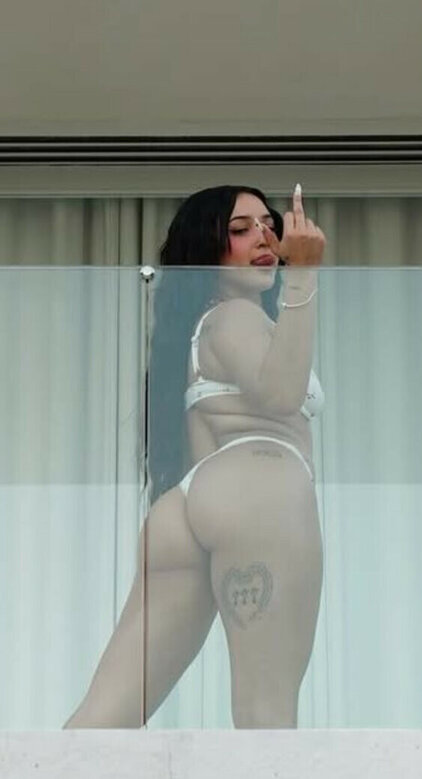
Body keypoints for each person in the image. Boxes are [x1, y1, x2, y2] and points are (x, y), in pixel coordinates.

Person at [65, 182, 325, 729]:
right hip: (260, 490)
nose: (264, 237)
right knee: (265, 714)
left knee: (100, 722)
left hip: (186, 507)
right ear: (206, 250)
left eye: (269, 225)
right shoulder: (236, 316)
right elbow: (281, 395)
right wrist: (303, 275)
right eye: (240, 229)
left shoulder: (201, 328)